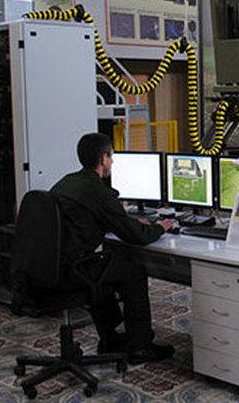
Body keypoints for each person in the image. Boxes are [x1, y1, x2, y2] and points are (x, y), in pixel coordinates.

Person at [50, 133, 176, 364]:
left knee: (105, 265)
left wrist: (119, 217)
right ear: (103, 158)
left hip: (52, 265)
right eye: (111, 157)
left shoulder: (68, 181)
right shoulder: (96, 190)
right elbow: (137, 236)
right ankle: (140, 347)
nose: (112, 162)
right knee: (133, 272)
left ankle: (110, 339)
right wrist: (161, 226)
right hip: (73, 269)